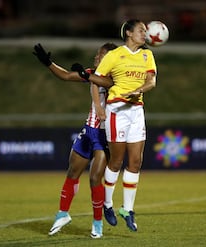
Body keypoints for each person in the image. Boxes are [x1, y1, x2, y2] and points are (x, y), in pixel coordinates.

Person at [71, 19, 157, 231]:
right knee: (116, 161)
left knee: (135, 162)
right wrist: (87, 75)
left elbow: (151, 81)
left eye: (145, 31)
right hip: (116, 111)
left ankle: (128, 209)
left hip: (136, 111)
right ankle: (108, 204)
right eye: (141, 30)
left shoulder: (147, 55)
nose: (144, 34)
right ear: (128, 32)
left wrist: (140, 91)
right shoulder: (114, 55)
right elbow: (97, 79)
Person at [33, 42, 118, 238]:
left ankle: (97, 223)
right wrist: (48, 63)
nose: (96, 57)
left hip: (105, 135)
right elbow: (65, 75)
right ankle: (63, 213)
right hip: (89, 131)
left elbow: (107, 84)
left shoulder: (116, 78)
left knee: (95, 178)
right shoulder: (93, 73)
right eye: (97, 54)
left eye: (101, 55)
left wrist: (89, 76)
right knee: (72, 172)